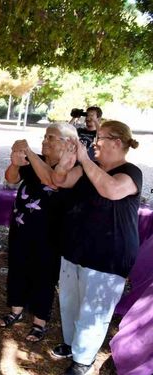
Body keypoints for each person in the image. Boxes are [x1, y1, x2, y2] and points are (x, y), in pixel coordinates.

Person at [50, 121, 141, 375]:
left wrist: (84, 159)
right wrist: (65, 163)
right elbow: (60, 181)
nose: (94, 142)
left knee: (94, 311)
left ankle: (83, 360)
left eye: (100, 137)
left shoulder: (131, 172)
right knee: (70, 301)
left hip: (108, 256)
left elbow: (110, 190)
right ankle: (71, 344)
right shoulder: (89, 169)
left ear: (117, 142)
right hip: (75, 249)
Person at [0, 123, 78, 342]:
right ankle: (16, 310)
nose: (45, 141)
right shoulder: (35, 161)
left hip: (51, 234)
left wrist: (30, 153)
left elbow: (51, 180)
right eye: (45, 136)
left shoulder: (72, 167)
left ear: (68, 143)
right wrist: (15, 163)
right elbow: (11, 178)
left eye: (51, 137)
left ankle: (40, 321)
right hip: (22, 228)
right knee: (18, 267)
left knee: (45, 275)